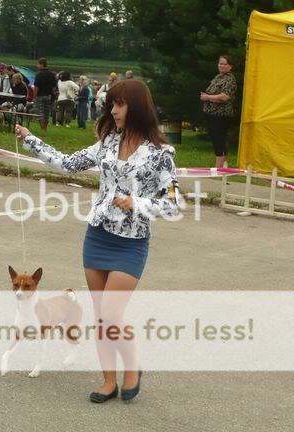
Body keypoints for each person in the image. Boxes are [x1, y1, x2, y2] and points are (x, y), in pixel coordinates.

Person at [15, 79, 181, 403]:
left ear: (137, 107)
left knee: (112, 314)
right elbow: (67, 164)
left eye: (119, 104)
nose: (113, 111)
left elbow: (174, 204)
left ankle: (132, 368)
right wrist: (30, 139)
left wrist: (137, 203)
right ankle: (108, 382)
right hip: (97, 237)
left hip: (131, 243)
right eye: (111, 105)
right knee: (101, 316)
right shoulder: (106, 143)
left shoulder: (161, 154)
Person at [200, 55, 236, 168]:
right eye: (220, 63)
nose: (221, 66)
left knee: (219, 140)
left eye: (224, 64)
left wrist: (208, 97)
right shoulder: (218, 77)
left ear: (230, 66)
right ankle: (222, 165)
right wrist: (207, 96)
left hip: (221, 114)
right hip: (212, 114)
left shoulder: (229, 79)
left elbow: (225, 97)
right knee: (217, 139)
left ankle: (219, 167)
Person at [33, 57, 57, 131]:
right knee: (47, 113)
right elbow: (54, 87)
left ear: (41, 64)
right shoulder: (52, 74)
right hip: (49, 96)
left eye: (38, 64)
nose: (37, 66)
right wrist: (53, 95)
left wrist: (34, 96)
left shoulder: (39, 75)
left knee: (41, 113)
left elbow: (36, 87)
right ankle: (45, 129)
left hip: (40, 96)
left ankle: (43, 129)